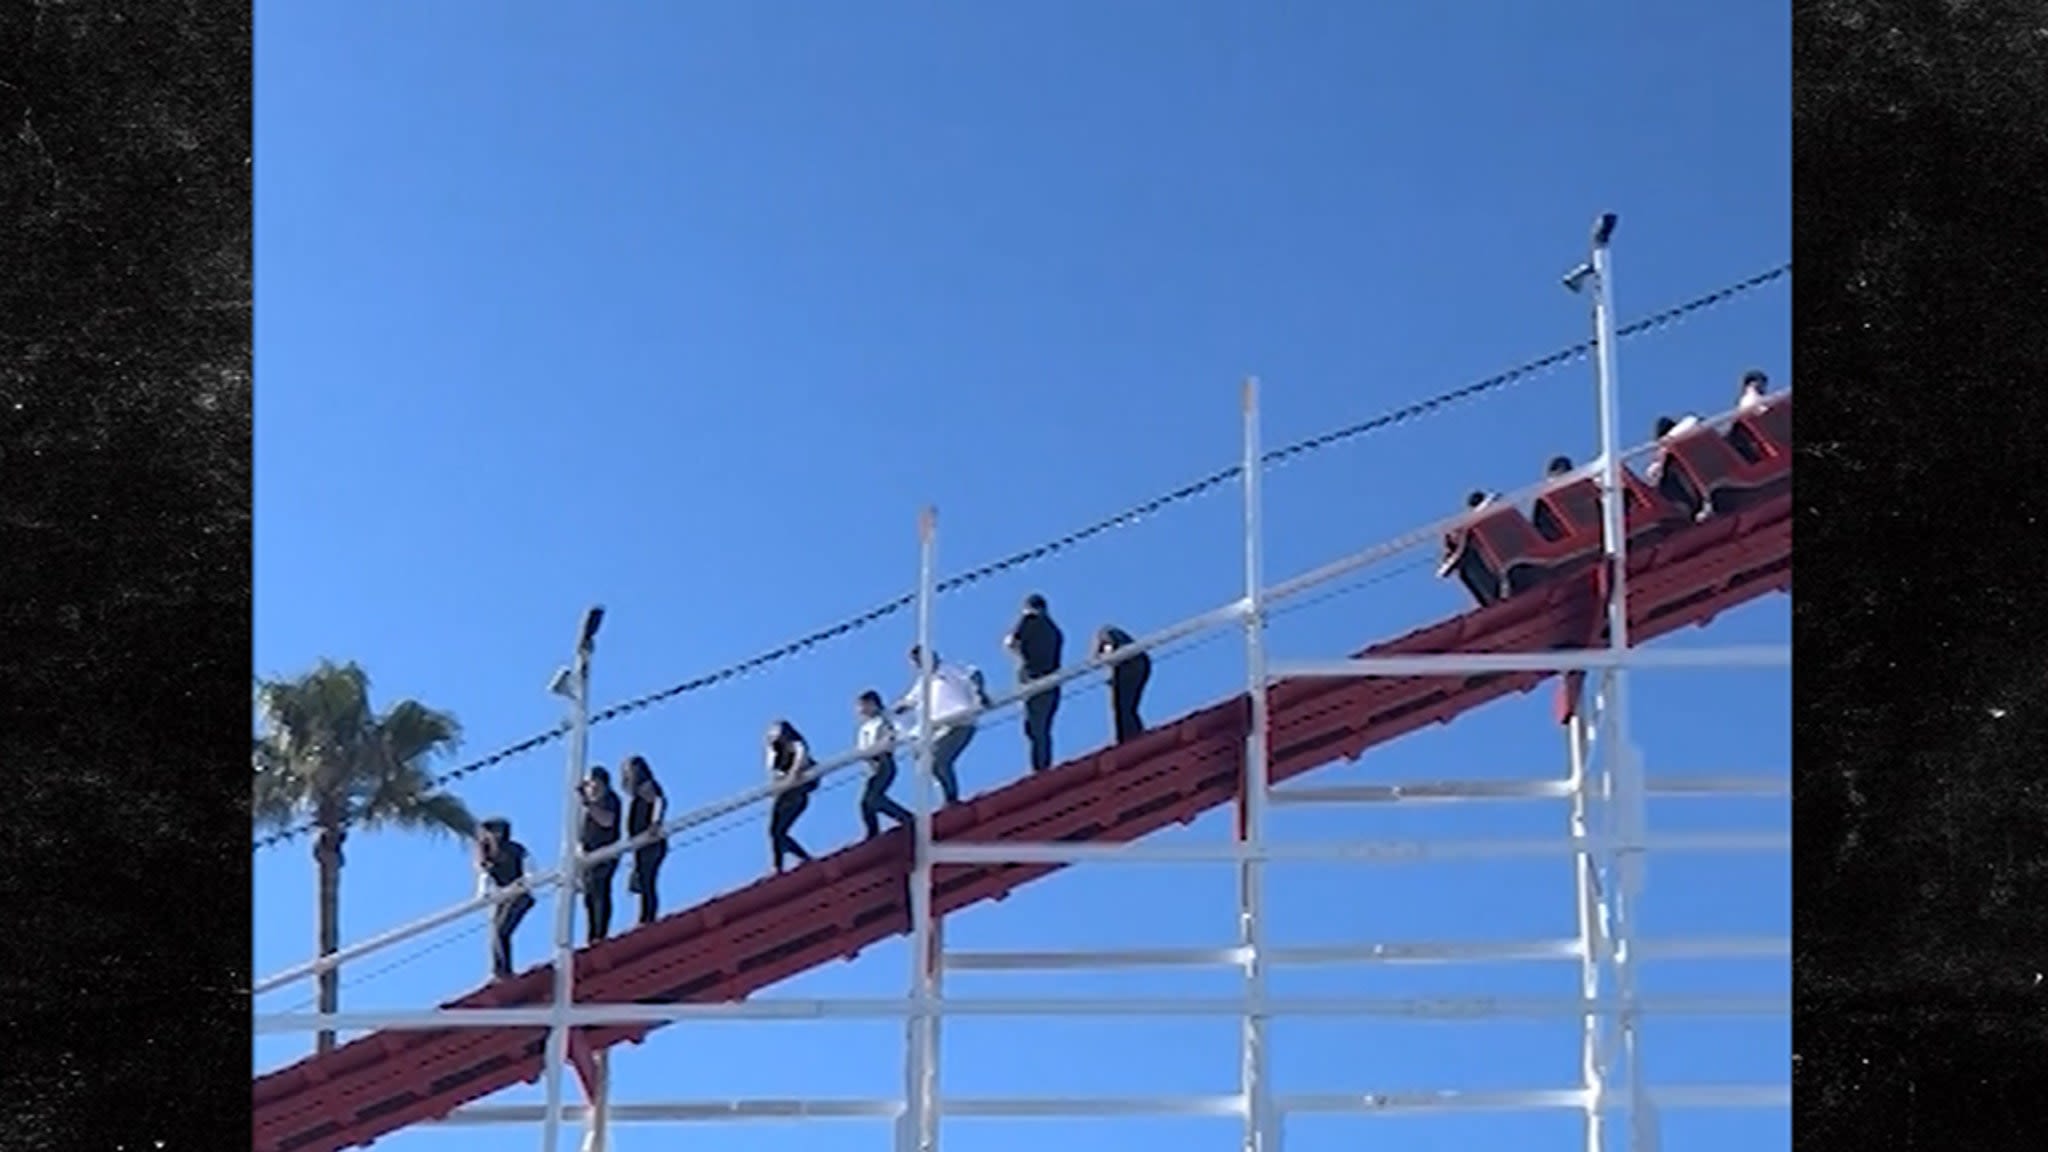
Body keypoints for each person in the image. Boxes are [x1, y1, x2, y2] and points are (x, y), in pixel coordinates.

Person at [894, 646, 979, 805]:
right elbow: (910, 701)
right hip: (940, 727)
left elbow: (973, 676)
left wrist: (981, 695)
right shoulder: (924, 682)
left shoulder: (950, 670)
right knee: (928, 760)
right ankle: (948, 797)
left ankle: (951, 798)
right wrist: (899, 709)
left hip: (960, 722)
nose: (919, 665)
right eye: (916, 663)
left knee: (938, 761)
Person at [1004, 593, 1065, 772]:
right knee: (1044, 729)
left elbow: (1011, 642)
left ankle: (1039, 769)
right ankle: (1044, 765)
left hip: (1033, 680)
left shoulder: (1029, 619)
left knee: (1034, 728)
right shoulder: (1055, 630)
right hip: (1053, 684)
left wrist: (1017, 654)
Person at [475, 818, 534, 979]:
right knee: (496, 933)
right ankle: (499, 970)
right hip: (501, 897)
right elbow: (485, 876)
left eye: (498, 830)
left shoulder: (516, 849)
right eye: (491, 831)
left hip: (519, 895)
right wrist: (483, 894)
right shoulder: (485, 853)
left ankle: (503, 971)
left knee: (501, 931)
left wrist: (523, 883)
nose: (495, 835)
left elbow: (530, 870)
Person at [855, 690, 915, 837]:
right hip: (872, 766)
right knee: (865, 802)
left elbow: (894, 734)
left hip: (883, 761)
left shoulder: (884, 720)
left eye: (864, 705)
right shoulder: (864, 728)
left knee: (873, 797)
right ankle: (873, 832)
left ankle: (906, 818)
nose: (861, 710)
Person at [765, 720, 818, 873]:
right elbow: (772, 771)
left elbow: (801, 759)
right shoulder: (775, 750)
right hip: (784, 793)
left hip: (797, 792)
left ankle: (788, 863)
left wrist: (792, 777)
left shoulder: (796, 744)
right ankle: (781, 864)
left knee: (778, 832)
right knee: (775, 831)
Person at [620, 755, 667, 926]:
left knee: (648, 880)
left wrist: (655, 823)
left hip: (651, 843)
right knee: (644, 879)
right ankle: (645, 916)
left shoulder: (647, 787)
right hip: (641, 845)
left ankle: (647, 917)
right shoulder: (635, 798)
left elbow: (659, 802)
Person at [577, 765, 622, 943]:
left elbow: (607, 821)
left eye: (593, 783)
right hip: (589, 858)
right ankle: (592, 935)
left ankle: (600, 933)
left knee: (600, 892)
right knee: (589, 897)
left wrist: (588, 804)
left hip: (605, 854)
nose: (591, 788)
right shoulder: (586, 808)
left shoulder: (610, 800)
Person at [1095, 625, 1151, 743]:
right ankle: (1132, 735)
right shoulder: (1116, 637)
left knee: (1122, 707)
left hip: (1130, 665)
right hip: (1139, 665)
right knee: (1128, 707)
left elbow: (1110, 651)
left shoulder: (1106, 637)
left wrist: (1108, 660)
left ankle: (1128, 738)